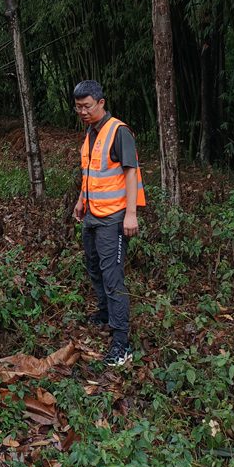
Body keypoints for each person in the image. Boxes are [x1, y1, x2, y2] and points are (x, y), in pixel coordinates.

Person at [72, 80, 145, 366]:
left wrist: (131, 214)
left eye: (87, 106)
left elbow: (130, 173)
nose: (82, 112)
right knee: (93, 266)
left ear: (101, 103)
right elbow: (90, 171)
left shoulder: (119, 131)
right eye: (78, 107)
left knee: (113, 277)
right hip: (92, 214)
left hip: (113, 218)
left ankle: (121, 343)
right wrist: (81, 199)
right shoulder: (92, 132)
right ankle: (104, 313)